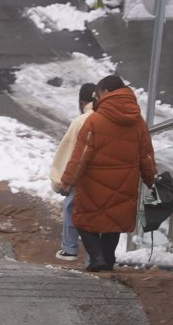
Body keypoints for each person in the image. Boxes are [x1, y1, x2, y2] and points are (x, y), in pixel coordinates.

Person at [61, 75, 157, 272]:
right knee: (114, 220)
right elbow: (145, 155)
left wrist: (67, 181)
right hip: (125, 181)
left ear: (105, 93)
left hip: (94, 183)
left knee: (83, 220)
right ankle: (107, 258)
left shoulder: (94, 121)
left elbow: (80, 157)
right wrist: (150, 179)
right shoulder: (138, 121)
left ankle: (97, 257)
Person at [49, 83, 96, 261]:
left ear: (82, 102)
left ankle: (70, 248)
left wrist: (60, 182)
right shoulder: (110, 117)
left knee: (71, 207)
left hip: (82, 177)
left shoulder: (80, 121)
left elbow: (68, 154)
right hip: (108, 177)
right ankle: (94, 258)